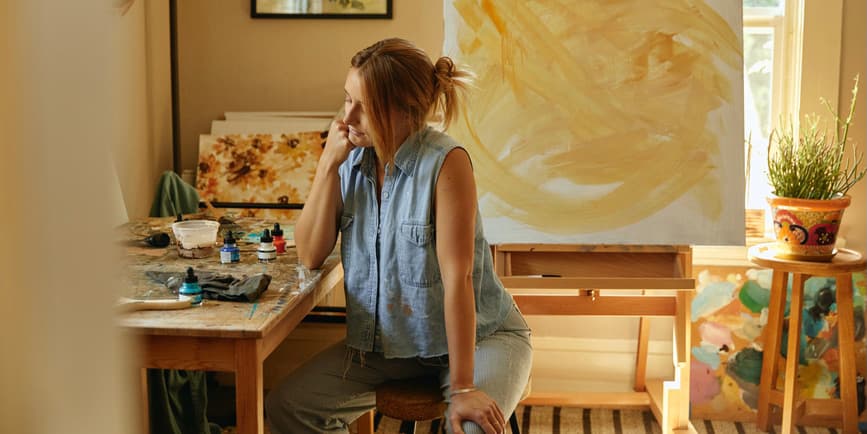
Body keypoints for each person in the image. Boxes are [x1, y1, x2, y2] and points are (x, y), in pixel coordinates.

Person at [265, 37, 532, 434]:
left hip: (481, 339)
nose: (347, 118)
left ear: (404, 112)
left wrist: (462, 387)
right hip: (393, 346)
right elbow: (309, 254)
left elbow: (457, 279)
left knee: (474, 429)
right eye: (346, 99)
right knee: (289, 407)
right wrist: (326, 165)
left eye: (363, 107)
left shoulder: (446, 163)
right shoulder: (350, 162)